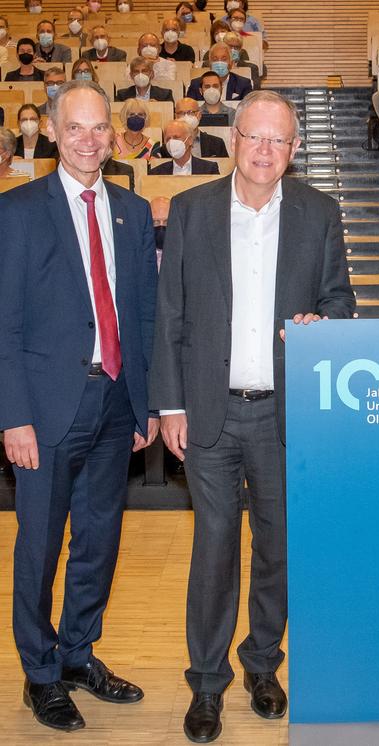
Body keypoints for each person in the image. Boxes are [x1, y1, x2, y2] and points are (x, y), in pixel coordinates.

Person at [149, 88, 355, 744]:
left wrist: (325, 323)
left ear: (294, 151)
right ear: (234, 138)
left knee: (278, 550)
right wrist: (171, 403)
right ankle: (207, 683)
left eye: (279, 141)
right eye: (255, 137)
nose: (265, 151)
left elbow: (341, 301)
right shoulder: (190, 210)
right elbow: (171, 315)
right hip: (208, 413)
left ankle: (263, 663)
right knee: (215, 550)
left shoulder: (321, 213)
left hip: (285, 415)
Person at [0, 78, 158, 734]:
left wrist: (147, 403)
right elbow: (3, 323)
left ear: (112, 133)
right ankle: (39, 672)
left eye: (99, 128)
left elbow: (144, 315)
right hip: (44, 410)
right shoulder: (16, 212)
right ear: (51, 133)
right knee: (39, 547)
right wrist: (12, 416)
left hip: (116, 405)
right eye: (75, 128)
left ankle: (77, 653)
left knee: (98, 540)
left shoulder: (132, 208)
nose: (89, 140)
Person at [149, 119, 219, 175]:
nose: (171, 142)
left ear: (190, 140)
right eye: (168, 139)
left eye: (176, 137)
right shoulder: (156, 173)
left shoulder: (209, 169)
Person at [187, 43, 252, 101]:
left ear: (231, 63)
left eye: (224, 59)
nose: (219, 62)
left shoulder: (243, 84)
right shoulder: (195, 84)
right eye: (215, 59)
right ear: (209, 64)